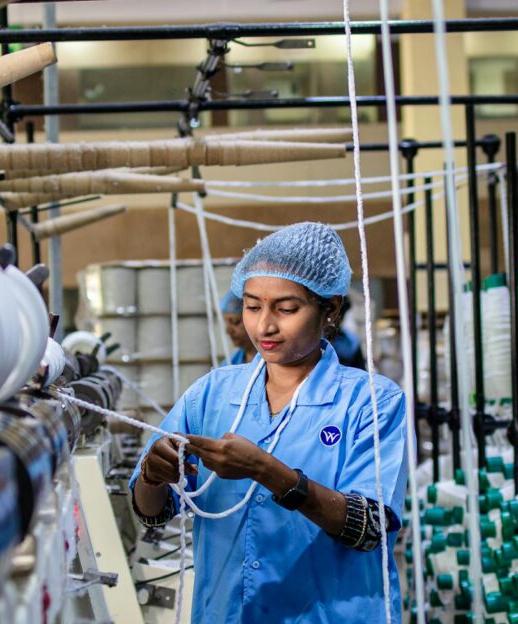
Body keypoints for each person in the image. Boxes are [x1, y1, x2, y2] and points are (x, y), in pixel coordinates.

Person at [130, 222, 408, 623]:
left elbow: (370, 527)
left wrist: (267, 471)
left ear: (330, 309)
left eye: (286, 309)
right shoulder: (211, 394)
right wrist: (152, 478)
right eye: (252, 306)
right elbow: (152, 514)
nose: (264, 326)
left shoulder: (371, 402)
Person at [220, 292, 257, 366]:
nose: (228, 331)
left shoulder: (275, 364)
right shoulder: (229, 365)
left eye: (235, 322)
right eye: (226, 322)